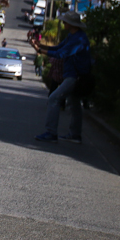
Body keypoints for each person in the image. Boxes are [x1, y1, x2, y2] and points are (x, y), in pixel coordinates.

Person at [33, 11, 92, 144]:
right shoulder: (73, 36)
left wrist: (40, 50)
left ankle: (51, 132)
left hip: (75, 76)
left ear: (72, 24)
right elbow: (58, 48)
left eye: (65, 22)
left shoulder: (79, 39)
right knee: (74, 103)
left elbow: (61, 54)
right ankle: (75, 134)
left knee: (54, 98)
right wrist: (40, 45)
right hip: (71, 75)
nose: (63, 23)